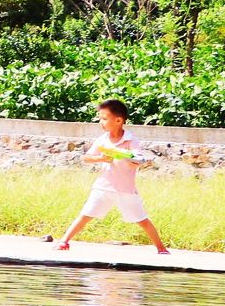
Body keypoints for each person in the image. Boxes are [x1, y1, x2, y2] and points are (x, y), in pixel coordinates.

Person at [56, 98, 168, 255]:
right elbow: (87, 158)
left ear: (118, 120)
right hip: (103, 186)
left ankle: (161, 248)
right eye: (100, 118)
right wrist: (102, 158)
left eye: (104, 118)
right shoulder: (102, 140)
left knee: (142, 220)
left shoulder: (130, 139)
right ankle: (64, 241)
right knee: (85, 215)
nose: (101, 122)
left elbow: (138, 158)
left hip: (126, 189)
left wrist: (128, 157)